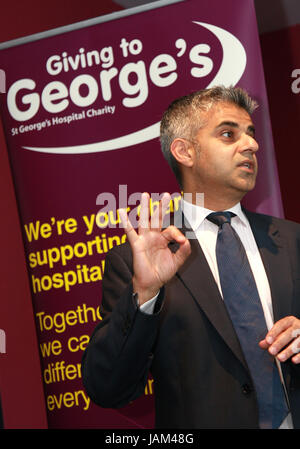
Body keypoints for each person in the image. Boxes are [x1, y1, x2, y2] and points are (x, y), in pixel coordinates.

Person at [82, 86, 300, 429]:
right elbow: (108, 388)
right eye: (229, 134)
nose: (252, 145)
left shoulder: (291, 240)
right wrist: (145, 295)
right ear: (184, 151)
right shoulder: (137, 260)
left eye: (251, 134)